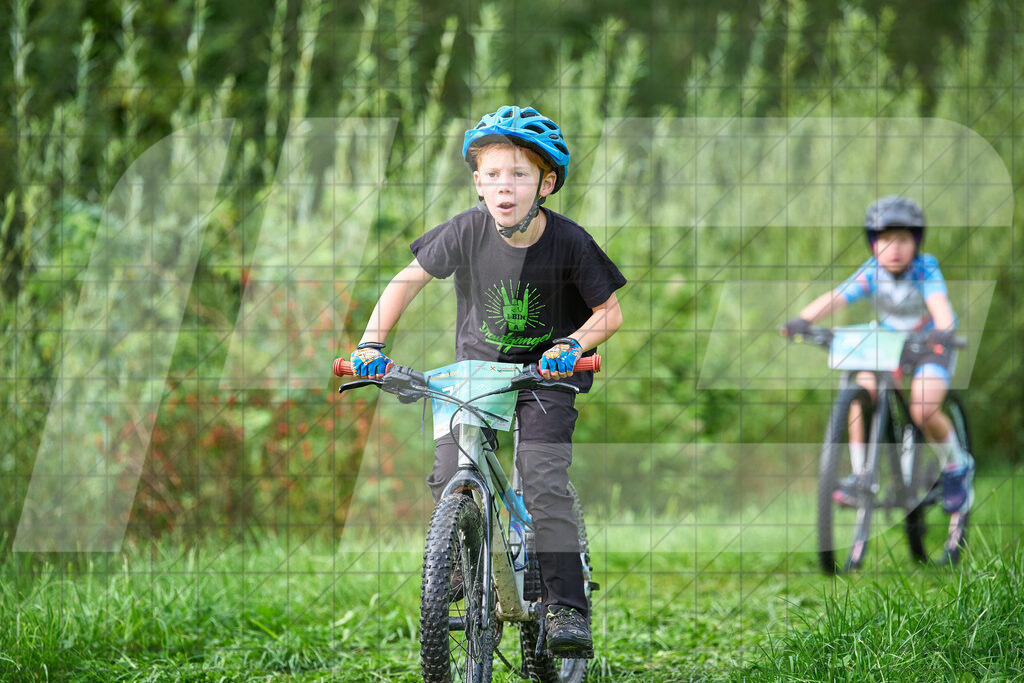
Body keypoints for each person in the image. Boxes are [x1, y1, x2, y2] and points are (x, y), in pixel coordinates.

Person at [349, 105, 625, 655]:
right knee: (448, 465)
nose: (505, 186)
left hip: (546, 374)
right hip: (478, 372)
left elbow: (609, 314)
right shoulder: (467, 231)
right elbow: (407, 281)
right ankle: (455, 560)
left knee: (542, 474)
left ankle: (566, 606)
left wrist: (571, 346)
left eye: (520, 175)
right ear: (477, 182)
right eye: (493, 174)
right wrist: (370, 343)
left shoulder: (569, 242)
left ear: (545, 183)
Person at [781, 196, 973, 565]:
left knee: (922, 406)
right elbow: (837, 297)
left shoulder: (925, 269)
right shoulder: (872, 271)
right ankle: (860, 474)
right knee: (861, 388)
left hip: (930, 345)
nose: (894, 248)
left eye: (903, 239)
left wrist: (944, 330)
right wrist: (802, 321)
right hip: (891, 345)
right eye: (885, 240)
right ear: (873, 243)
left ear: (916, 242)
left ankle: (955, 467)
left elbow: (940, 307)